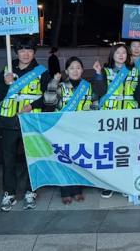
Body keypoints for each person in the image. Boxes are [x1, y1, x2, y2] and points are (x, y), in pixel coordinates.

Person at [0, 36, 51, 211]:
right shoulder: (7, 70)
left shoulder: (42, 72)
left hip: (31, 122)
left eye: (29, 50)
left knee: (31, 158)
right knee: (8, 159)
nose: (26, 54)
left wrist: (32, 106)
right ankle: (9, 193)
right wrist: (5, 83)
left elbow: (49, 98)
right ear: (16, 52)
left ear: (34, 52)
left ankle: (30, 191)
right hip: (9, 122)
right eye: (22, 50)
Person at [44, 56, 95, 204]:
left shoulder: (88, 86)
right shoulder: (60, 86)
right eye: (71, 68)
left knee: (79, 159)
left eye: (78, 67)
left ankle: (77, 190)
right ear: (66, 71)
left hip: (81, 129)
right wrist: (54, 82)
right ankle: (65, 191)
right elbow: (48, 102)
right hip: (63, 129)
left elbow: (95, 105)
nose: (75, 70)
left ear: (82, 70)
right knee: (64, 160)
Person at [92, 43, 139, 198]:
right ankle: (108, 184)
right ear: (112, 54)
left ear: (128, 55)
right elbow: (99, 92)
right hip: (110, 117)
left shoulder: (134, 71)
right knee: (109, 151)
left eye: (124, 52)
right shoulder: (105, 71)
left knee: (126, 151)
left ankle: (125, 183)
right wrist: (98, 73)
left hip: (128, 116)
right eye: (117, 52)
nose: (120, 55)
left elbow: (139, 94)